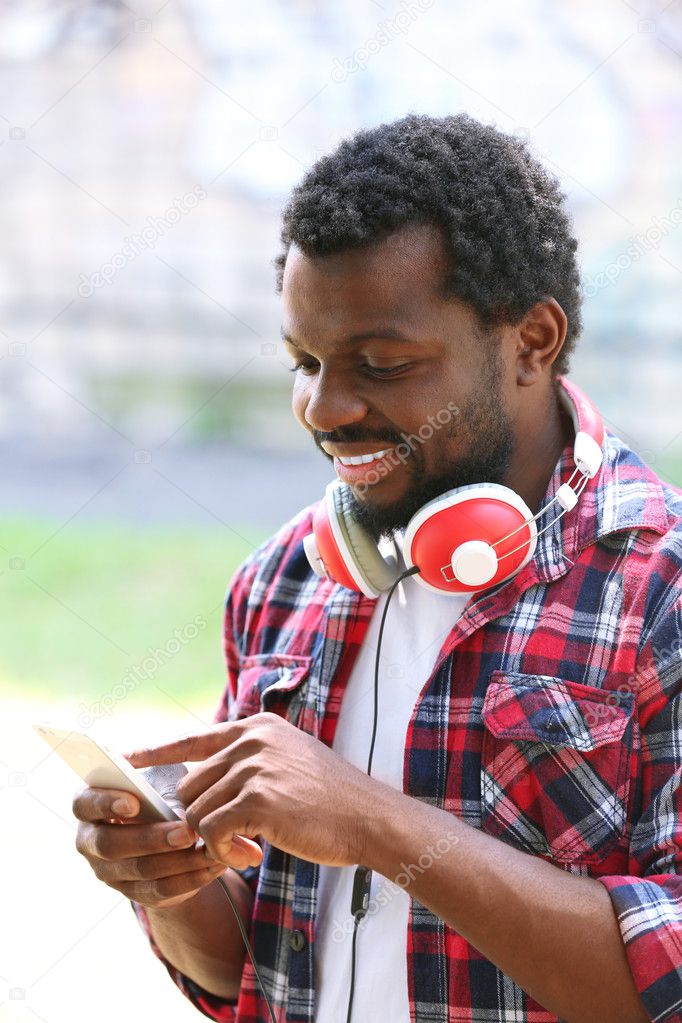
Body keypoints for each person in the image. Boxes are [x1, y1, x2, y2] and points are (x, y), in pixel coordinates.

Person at [72, 112, 682, 1023]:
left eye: (383, 363)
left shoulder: (659, 591)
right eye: (305, 361)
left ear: (532, 341)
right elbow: (253, 965)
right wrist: (170, 885)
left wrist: (371, 821)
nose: (325, 407)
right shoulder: (284, 579)